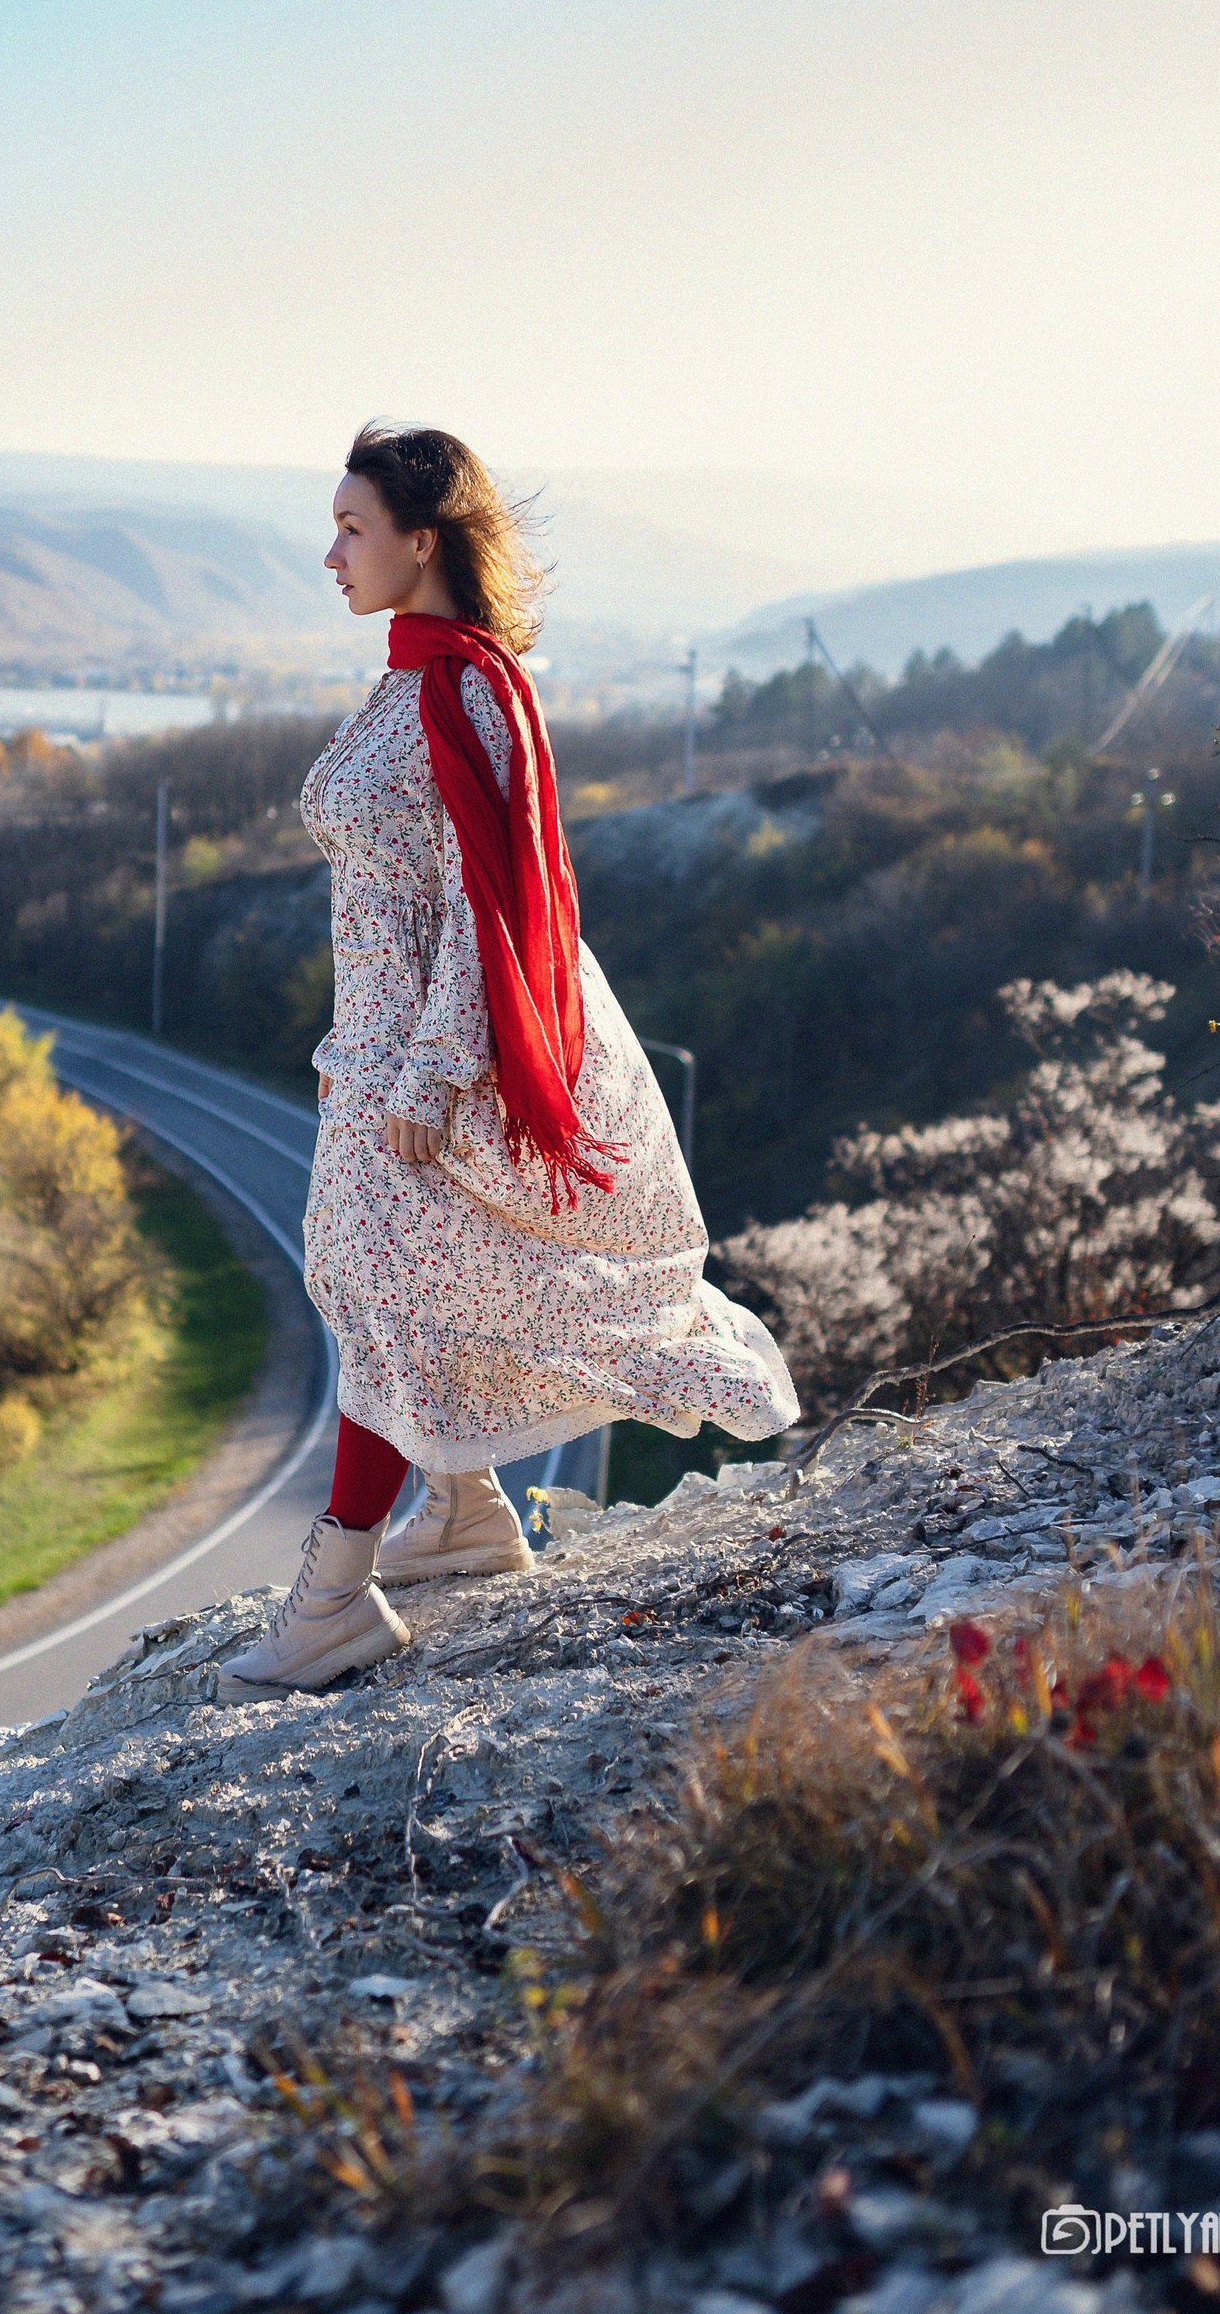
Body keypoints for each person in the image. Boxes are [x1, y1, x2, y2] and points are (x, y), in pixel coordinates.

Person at [218, 424, 799, 1701]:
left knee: (384, 1285)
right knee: (379, 1284)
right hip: (373, 1051)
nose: (330, 553)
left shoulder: (473, 683)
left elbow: (497, 901)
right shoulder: (408, 673)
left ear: (423, 539)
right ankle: (470, 1510)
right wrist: (357, 1056)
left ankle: (330, 1599)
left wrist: (429, 1073)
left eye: (352, 527)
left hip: (442, 1056)